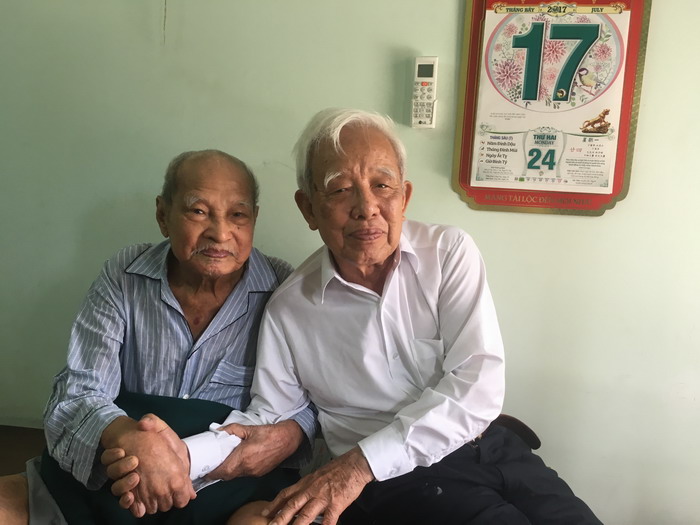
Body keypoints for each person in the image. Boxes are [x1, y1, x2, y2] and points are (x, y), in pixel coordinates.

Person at [110, 109, 603, 525]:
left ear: (404, 197)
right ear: (308, 208)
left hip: (494, 446)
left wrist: (356, 465)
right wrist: (180, 456)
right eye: (340, 189)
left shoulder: (449, 253)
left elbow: (478, 385)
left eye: (382, 185)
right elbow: (266, 421)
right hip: (401, 482)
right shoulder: (290, 307)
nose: (367, 208)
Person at [0, 149, 316, 525]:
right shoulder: (125, 275)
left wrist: (292, 433)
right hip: (110, 477)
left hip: (229, 488)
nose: (220, 233)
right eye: (198, 211)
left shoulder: (283, 287)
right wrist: (130, 438)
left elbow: (313, 400)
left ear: (254, 219)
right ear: (163, 215)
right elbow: (79, 392)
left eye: (237, 215)